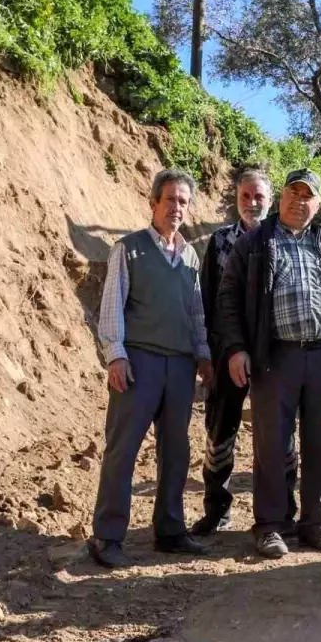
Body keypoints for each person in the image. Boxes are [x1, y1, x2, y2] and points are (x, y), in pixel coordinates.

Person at [218, 169, 321, 558]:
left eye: (307, 195)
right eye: (292, 192)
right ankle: (270, 524)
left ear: (317, 205)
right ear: (280, 197)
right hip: (274, 357)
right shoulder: (254, 244)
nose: (298, 200)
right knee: (271, 445)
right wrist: (236, 348)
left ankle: (315, 524)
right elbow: (229, 299)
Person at [89, 169, 214, 568]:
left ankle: (170, 531)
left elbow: (196, 312)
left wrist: (203, 354)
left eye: (183, 201)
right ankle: (107, 536)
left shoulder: (191, 256)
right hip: (138, 362)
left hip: (179, 365)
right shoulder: (129, 249)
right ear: (154, 203)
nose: (176, 208)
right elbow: (111, 306)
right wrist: (116, 355)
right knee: (122, 450)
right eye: (170, 200)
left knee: (176, 451)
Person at [191, 169, 298, 537]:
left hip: (275, 353)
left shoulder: (285, 239)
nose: (252, 203)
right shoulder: (220, 241)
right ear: (236, 199)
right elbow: (206, 301)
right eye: (245, 197)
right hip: (227, 352)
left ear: (271, 201)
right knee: (220, 428)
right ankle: (216, 509)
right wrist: (206, 353)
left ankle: (285, 507)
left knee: (282, 430)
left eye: (259, 197)